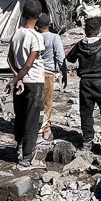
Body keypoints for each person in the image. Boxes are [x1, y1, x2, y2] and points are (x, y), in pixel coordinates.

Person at [66, 15, 101, 151]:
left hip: (86, 83)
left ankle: (87, 141)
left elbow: (70, 59)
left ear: (85, 30)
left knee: (86, 112)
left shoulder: (79, 45)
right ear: (99, 30)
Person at [6, 1, 47, 167]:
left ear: (23, 14)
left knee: (21, 116)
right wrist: (17, 79)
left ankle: (20, 146)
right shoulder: (36, 36)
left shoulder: (17, 33)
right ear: (39, 17)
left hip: (22, 81)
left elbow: (9, 58)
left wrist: (17, 78)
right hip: (34, 81)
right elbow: (30, 63)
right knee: (32, 120)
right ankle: (27, 158)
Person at [36, 13, 68, 142]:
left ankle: (37, 126)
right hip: (48, 74)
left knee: (37, 103)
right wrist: (64, 74)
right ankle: (45, 130)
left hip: (35, 73)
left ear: (37, 26)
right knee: (46, 104)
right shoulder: (55, 37)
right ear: (49, 24)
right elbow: (60, 57)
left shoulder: (35, 37)